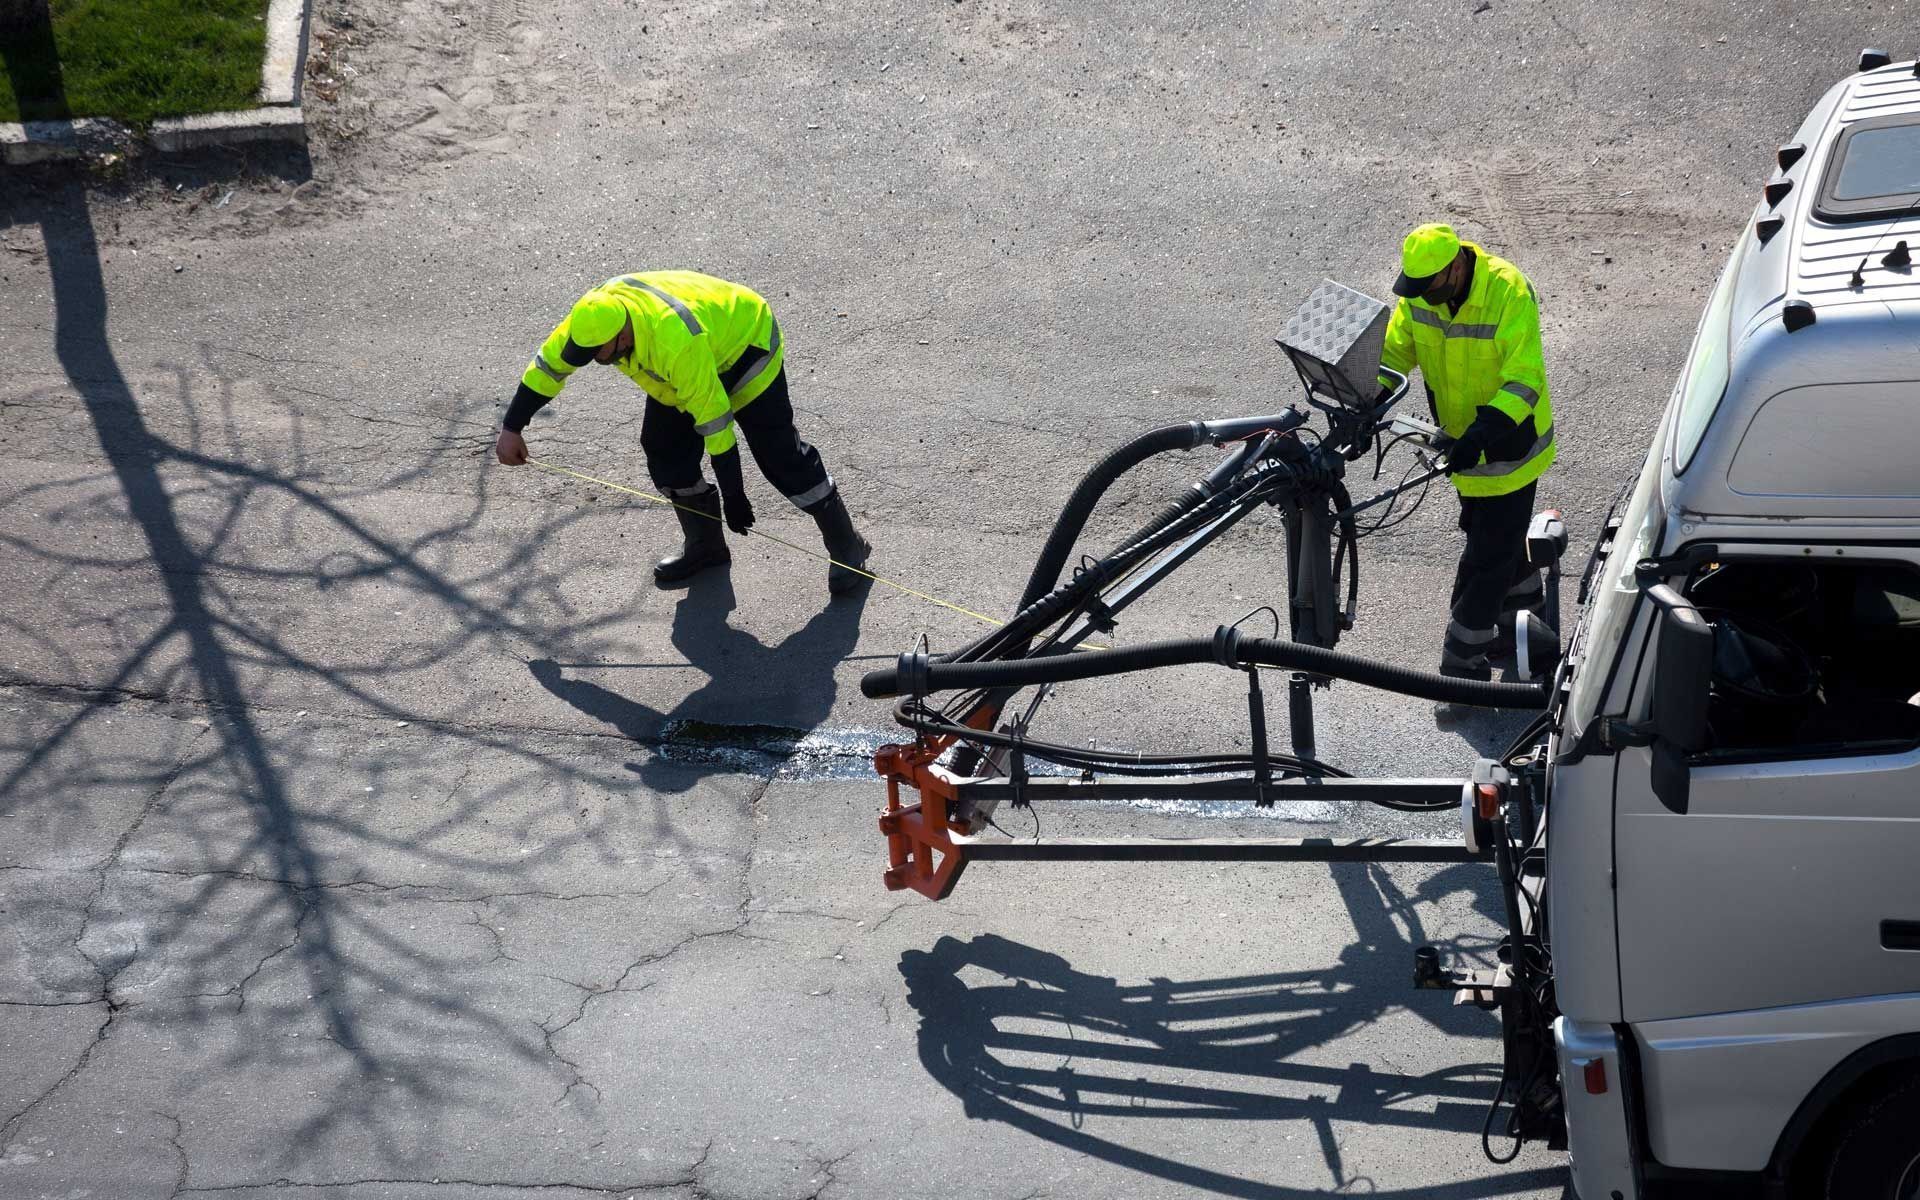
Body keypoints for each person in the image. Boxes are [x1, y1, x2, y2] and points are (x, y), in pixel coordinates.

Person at [494, 271, 871, 594]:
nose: (593, 359)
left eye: (599, 352)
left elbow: (715, 422)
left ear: (622, 337)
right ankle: (706, 546)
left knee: (778, 456)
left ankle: (846, 547)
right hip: (689, 356)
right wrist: (512, 427)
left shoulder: (674, 341)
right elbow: (547, 369)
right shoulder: (591, 319)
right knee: (664, 449)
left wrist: (735, 498)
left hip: (744, 343)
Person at [1378, 224, 1556, 717]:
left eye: (1432, 287)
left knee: (1484, 559)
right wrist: (1366, 393)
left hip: (1510, 449)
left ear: (1457, 266)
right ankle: (1526, 619)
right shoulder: (1422, 296)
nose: (1426, 300)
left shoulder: (1507, 290)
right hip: (1463, 449)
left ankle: (1463, 670)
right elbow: (1395, 352)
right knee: (1490, 535)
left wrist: (1482, 434)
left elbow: (1525, 379)